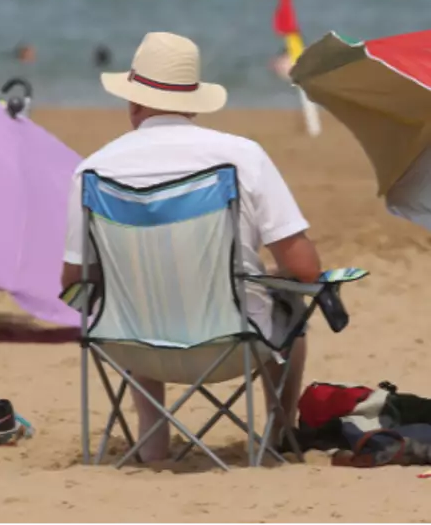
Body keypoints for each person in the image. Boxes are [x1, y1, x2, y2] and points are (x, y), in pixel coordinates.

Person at [61, 31, 325, 463]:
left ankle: (153, 434)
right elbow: (306, 269)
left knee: (125, 293)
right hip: (233, 345)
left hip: (131, 345)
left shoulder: (93, 170)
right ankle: (279, 429)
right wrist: (266, 277)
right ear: (193, 103)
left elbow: (73, 281)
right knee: (290, 304)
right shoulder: (242, 157)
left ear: (133, 104)